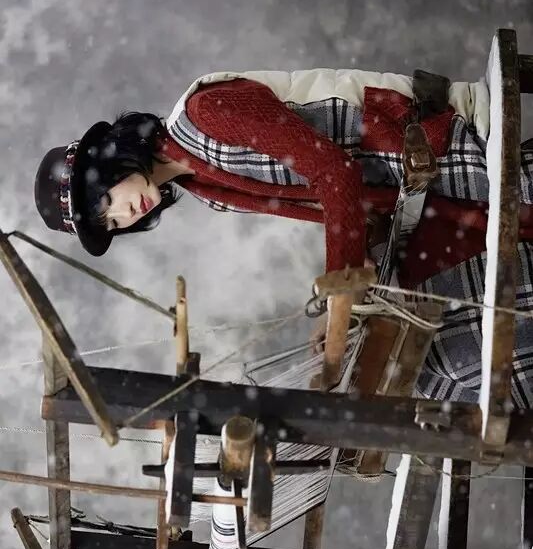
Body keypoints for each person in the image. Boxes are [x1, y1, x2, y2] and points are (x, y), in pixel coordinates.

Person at [34, 67, 533, 405]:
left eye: (108, 199)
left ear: (111, 160)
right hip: (408, 197)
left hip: (429, 143)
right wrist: (347, 304)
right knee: (428, 365)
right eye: (112, 223)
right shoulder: (206, 189)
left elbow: (335, 172)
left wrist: (341, 295)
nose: (124, 213)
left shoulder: (205, 114)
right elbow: (346, 210)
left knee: (455, 345)